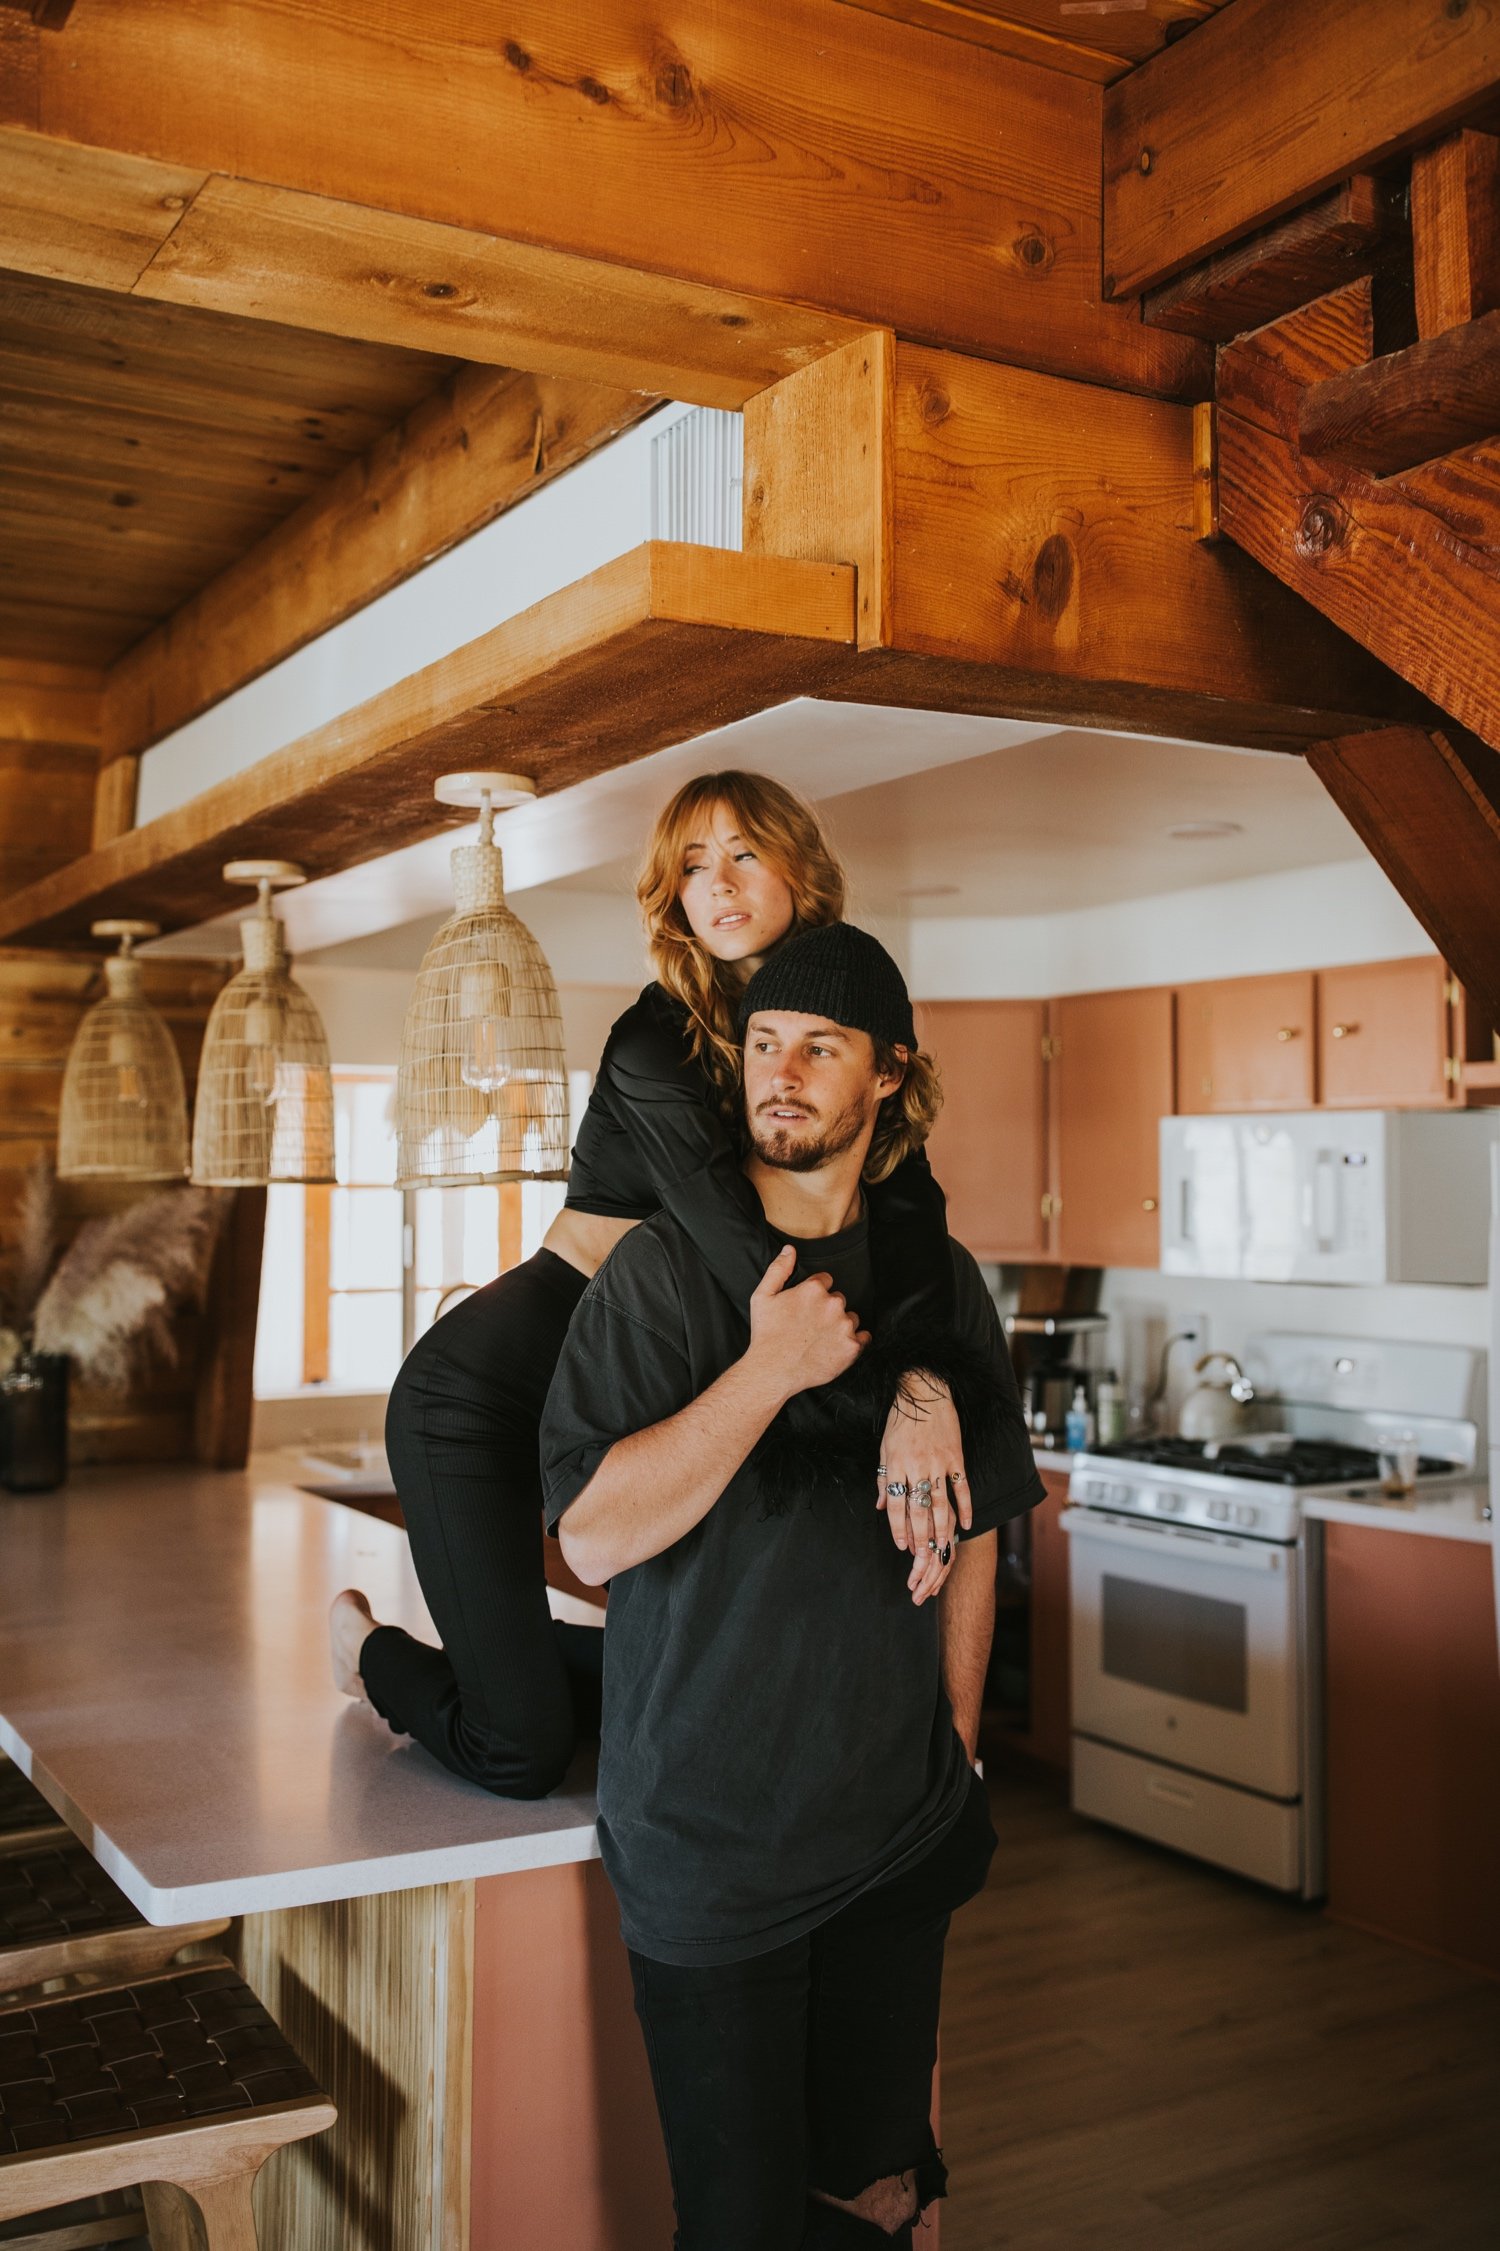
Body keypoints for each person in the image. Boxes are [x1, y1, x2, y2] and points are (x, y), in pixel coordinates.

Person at [541, 923, 1046, 2251]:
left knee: (882, 2196)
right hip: (711, 1850)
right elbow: (590, 1539)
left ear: (888, 1076)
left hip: (891, 1826)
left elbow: (983, 1522)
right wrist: (767, 1368)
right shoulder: (659, 1277)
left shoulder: (934, 1282)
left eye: (822, 1044)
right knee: (742, 2221)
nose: (784, 1068)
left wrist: (956, 1739)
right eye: (765, 1040)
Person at [329, 772, 979, 1796]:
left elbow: (908, 1204)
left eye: (743, 854)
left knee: (644, 1672)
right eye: (690, 863)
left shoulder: (838, 1025)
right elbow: (738, 1249)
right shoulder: (653, 1042)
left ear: (801, 868)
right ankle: (366, 1650)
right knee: (522, 1747)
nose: (715, 885)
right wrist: (891, 1390)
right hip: (485, 1394)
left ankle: (493, 1671)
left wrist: (927, 1383)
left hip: (617, 1387)